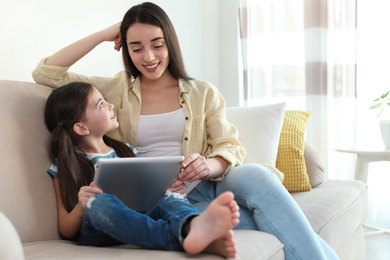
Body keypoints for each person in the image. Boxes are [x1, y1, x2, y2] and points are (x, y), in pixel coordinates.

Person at [33, 2, 340, 259]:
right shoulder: (114, 91)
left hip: (207, 183)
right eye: (136, 48)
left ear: (169, 42)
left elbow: (229, 146)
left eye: (157, 45)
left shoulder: (202, 92)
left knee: (258, 175)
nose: (149, 57)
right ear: (125, 49)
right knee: (260, 219)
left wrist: (208, 165)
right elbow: (45, 71)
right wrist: (104, 34)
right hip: (161, 197)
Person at [44, 81, 240, 258]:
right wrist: (81, 206)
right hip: (99, 230)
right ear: (81, 128)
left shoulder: (126, 150)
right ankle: (180, 236)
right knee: (98, 202)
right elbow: (66, 229)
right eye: (101, 104)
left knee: (171, 199)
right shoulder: (65, 165)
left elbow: (151, 194)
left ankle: (193, 225)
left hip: (141, 218)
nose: (111, 106)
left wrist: (170, 190)